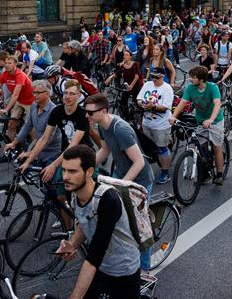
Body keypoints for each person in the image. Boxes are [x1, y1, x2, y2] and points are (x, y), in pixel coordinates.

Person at [57, 145, 141, 298]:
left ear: (89, 172)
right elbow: (83, 223)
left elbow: (95, 254)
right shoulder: (75, 192)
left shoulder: (108, 200)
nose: (65, 177)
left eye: (72, 171)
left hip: (124, 271)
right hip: (102, 267)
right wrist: (72, 244)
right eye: (64, 170)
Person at [85, 93, 155, 272]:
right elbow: (105, 150)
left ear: (103, 111)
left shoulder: (120, 129)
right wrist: (86, 167)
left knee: (139, 228)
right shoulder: (102, 125)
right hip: (120, 174)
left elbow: (139, 162)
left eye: (90, 113)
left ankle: (144, 271)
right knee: (119, 221)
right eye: (86, 112)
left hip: (139, 180)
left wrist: (121, 186)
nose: (87, 116)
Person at [170, 66, 225, 185]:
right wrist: (173, 116)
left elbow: (217, 104)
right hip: (200, 120)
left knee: (216, 147)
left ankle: (219, 174)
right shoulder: (190, 88)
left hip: (215, 120)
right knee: (201, 148)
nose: (190, 79)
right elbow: (183, 103)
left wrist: (211, 119)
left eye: (193, 77)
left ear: (201, 79)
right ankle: (205, 174)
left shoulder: (212, 87)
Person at [4, 80, 62, 168]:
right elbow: (27, 126)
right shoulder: (34, 106)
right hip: (39, 151)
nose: (35, 95)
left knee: (46, 178)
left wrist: (29, 154)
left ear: (48, 94)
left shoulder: (54, 111)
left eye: (38, 93)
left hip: (52, 153)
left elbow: (47, 140)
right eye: (34, 92)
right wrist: (14, 143)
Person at [0, 54, 34, 140]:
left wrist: (6, 109)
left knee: (29, 126)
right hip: (20, 101)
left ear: (15, 64)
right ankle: (11, 148)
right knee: (11, 125)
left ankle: (35, 148)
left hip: (30, 102)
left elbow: (15, 94)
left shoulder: (20, 75)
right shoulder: (4, 74)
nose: (7, 65)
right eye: (6, 63)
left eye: (10, 63)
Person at [137, 67, 174, 185]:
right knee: (147, 148)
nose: (154, 79)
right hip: (147, 123)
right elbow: (139, 98)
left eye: (157, 77)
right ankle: (147, 170)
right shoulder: (148, 84)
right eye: (152, 76)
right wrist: (141, 103)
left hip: (161, 124)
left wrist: (152, 107)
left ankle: (165, 172)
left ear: (163, 76)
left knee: (162, 148)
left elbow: (165, 107)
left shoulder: (167, 88)